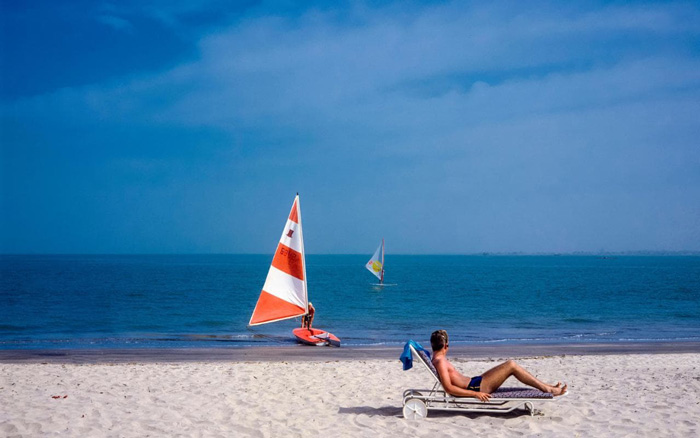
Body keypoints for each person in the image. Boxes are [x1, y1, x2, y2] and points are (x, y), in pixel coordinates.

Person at [430, 330, 567, 401]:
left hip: (476, 382)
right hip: (476, 387)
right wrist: (475, 394)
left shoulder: (437, 358)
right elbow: (448, 388)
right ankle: (547, 389)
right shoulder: (440, 361)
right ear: (446, 346)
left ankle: (548, 387)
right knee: (511, 365)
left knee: (510, 365)